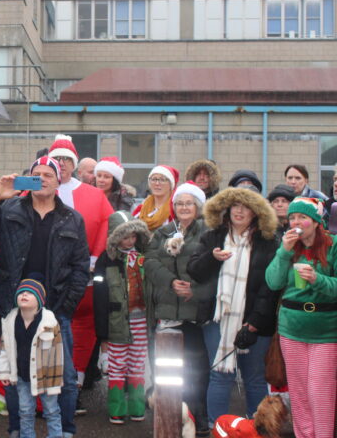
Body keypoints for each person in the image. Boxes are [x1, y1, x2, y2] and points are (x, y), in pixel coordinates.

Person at [0, 156, 90, 438]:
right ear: (29, 178)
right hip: (14, 308)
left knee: (66, 378)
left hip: (55, 308)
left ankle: (66, 430)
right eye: (37, 174)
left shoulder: (72, 218)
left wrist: (66, 306)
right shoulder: (10, 208)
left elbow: (80, 267)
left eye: (49, 174)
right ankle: (16, 430)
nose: (43, 179)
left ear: (59, 180)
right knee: (14, 375)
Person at [187, 187, 280, 426]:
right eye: (235, 206)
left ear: (256, 212)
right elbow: (194, 271)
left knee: (255, 378)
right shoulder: (213, 236)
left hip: (256, 322)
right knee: (220, 375)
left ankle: (257, 429)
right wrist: (212, 258)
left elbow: (271, 288)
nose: (239, 211)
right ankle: (218, 428)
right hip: (217, 319)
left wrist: (254, 323)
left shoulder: (269, 241)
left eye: (246, 206)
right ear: (227, 209)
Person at [48, 134, 112, 413]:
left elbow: (107, 225)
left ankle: (74, 386)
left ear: (73, 164)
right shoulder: (34, 190)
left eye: (66, 159)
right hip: (47, 278)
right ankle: (49, 390)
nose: (61, 164)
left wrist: (95, 258)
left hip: (83, 275)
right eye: (57, 159)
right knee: (49, 330)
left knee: (82, 328)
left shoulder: (94, 195)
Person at [265, 197, 337, 438]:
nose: (296, 222)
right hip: (291, 328)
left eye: (302, 217)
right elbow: (273, 282)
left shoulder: (333, 245)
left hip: (326, 330)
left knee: (320, 393)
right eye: (292, 217)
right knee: (299, 393)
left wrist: (318, 280)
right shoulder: (288, 247)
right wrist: (283, 252)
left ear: (316, 222)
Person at [143, 182, 211, 435]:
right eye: (179, 203)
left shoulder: (208, 232)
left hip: (195, 314)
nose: (184, 207)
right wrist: (171, 282)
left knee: (197, 371)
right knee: (167, 372)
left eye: (189, 203)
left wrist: (193, 288)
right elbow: (149, 261)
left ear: (198, 206)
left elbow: (212, 267)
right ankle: (169, 416)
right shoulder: (163, 233)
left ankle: (198, 419)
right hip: (167, 312)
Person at [93, 211, 151, 425]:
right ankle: (116, 409)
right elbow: (99, 299)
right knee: (117, 365)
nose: (129, 241)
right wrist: (103, 335)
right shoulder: (105, 260)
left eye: (133, 236)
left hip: (140, 321)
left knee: (137, 364)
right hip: (116, 322)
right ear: (115, 238)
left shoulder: (145, 257)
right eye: (124, 237)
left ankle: (137, 407)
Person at [0, 278, 63, 438]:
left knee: (52, 411)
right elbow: (5, 349)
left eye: (30, 293)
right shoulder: (10, 321)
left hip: (46, 376)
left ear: (39, 300)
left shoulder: (49, 321)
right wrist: (5, 372)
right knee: (25, 411)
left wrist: (56, 381)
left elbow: (57, 354)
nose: (24, 295)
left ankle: (56, 435)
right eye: (21, 292)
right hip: (22, 376)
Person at [133, 165, 179, 231]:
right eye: (154, 179)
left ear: (171, 185)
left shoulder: (176, 210)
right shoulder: (141, 209)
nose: (157, 183)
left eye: (162, 180)